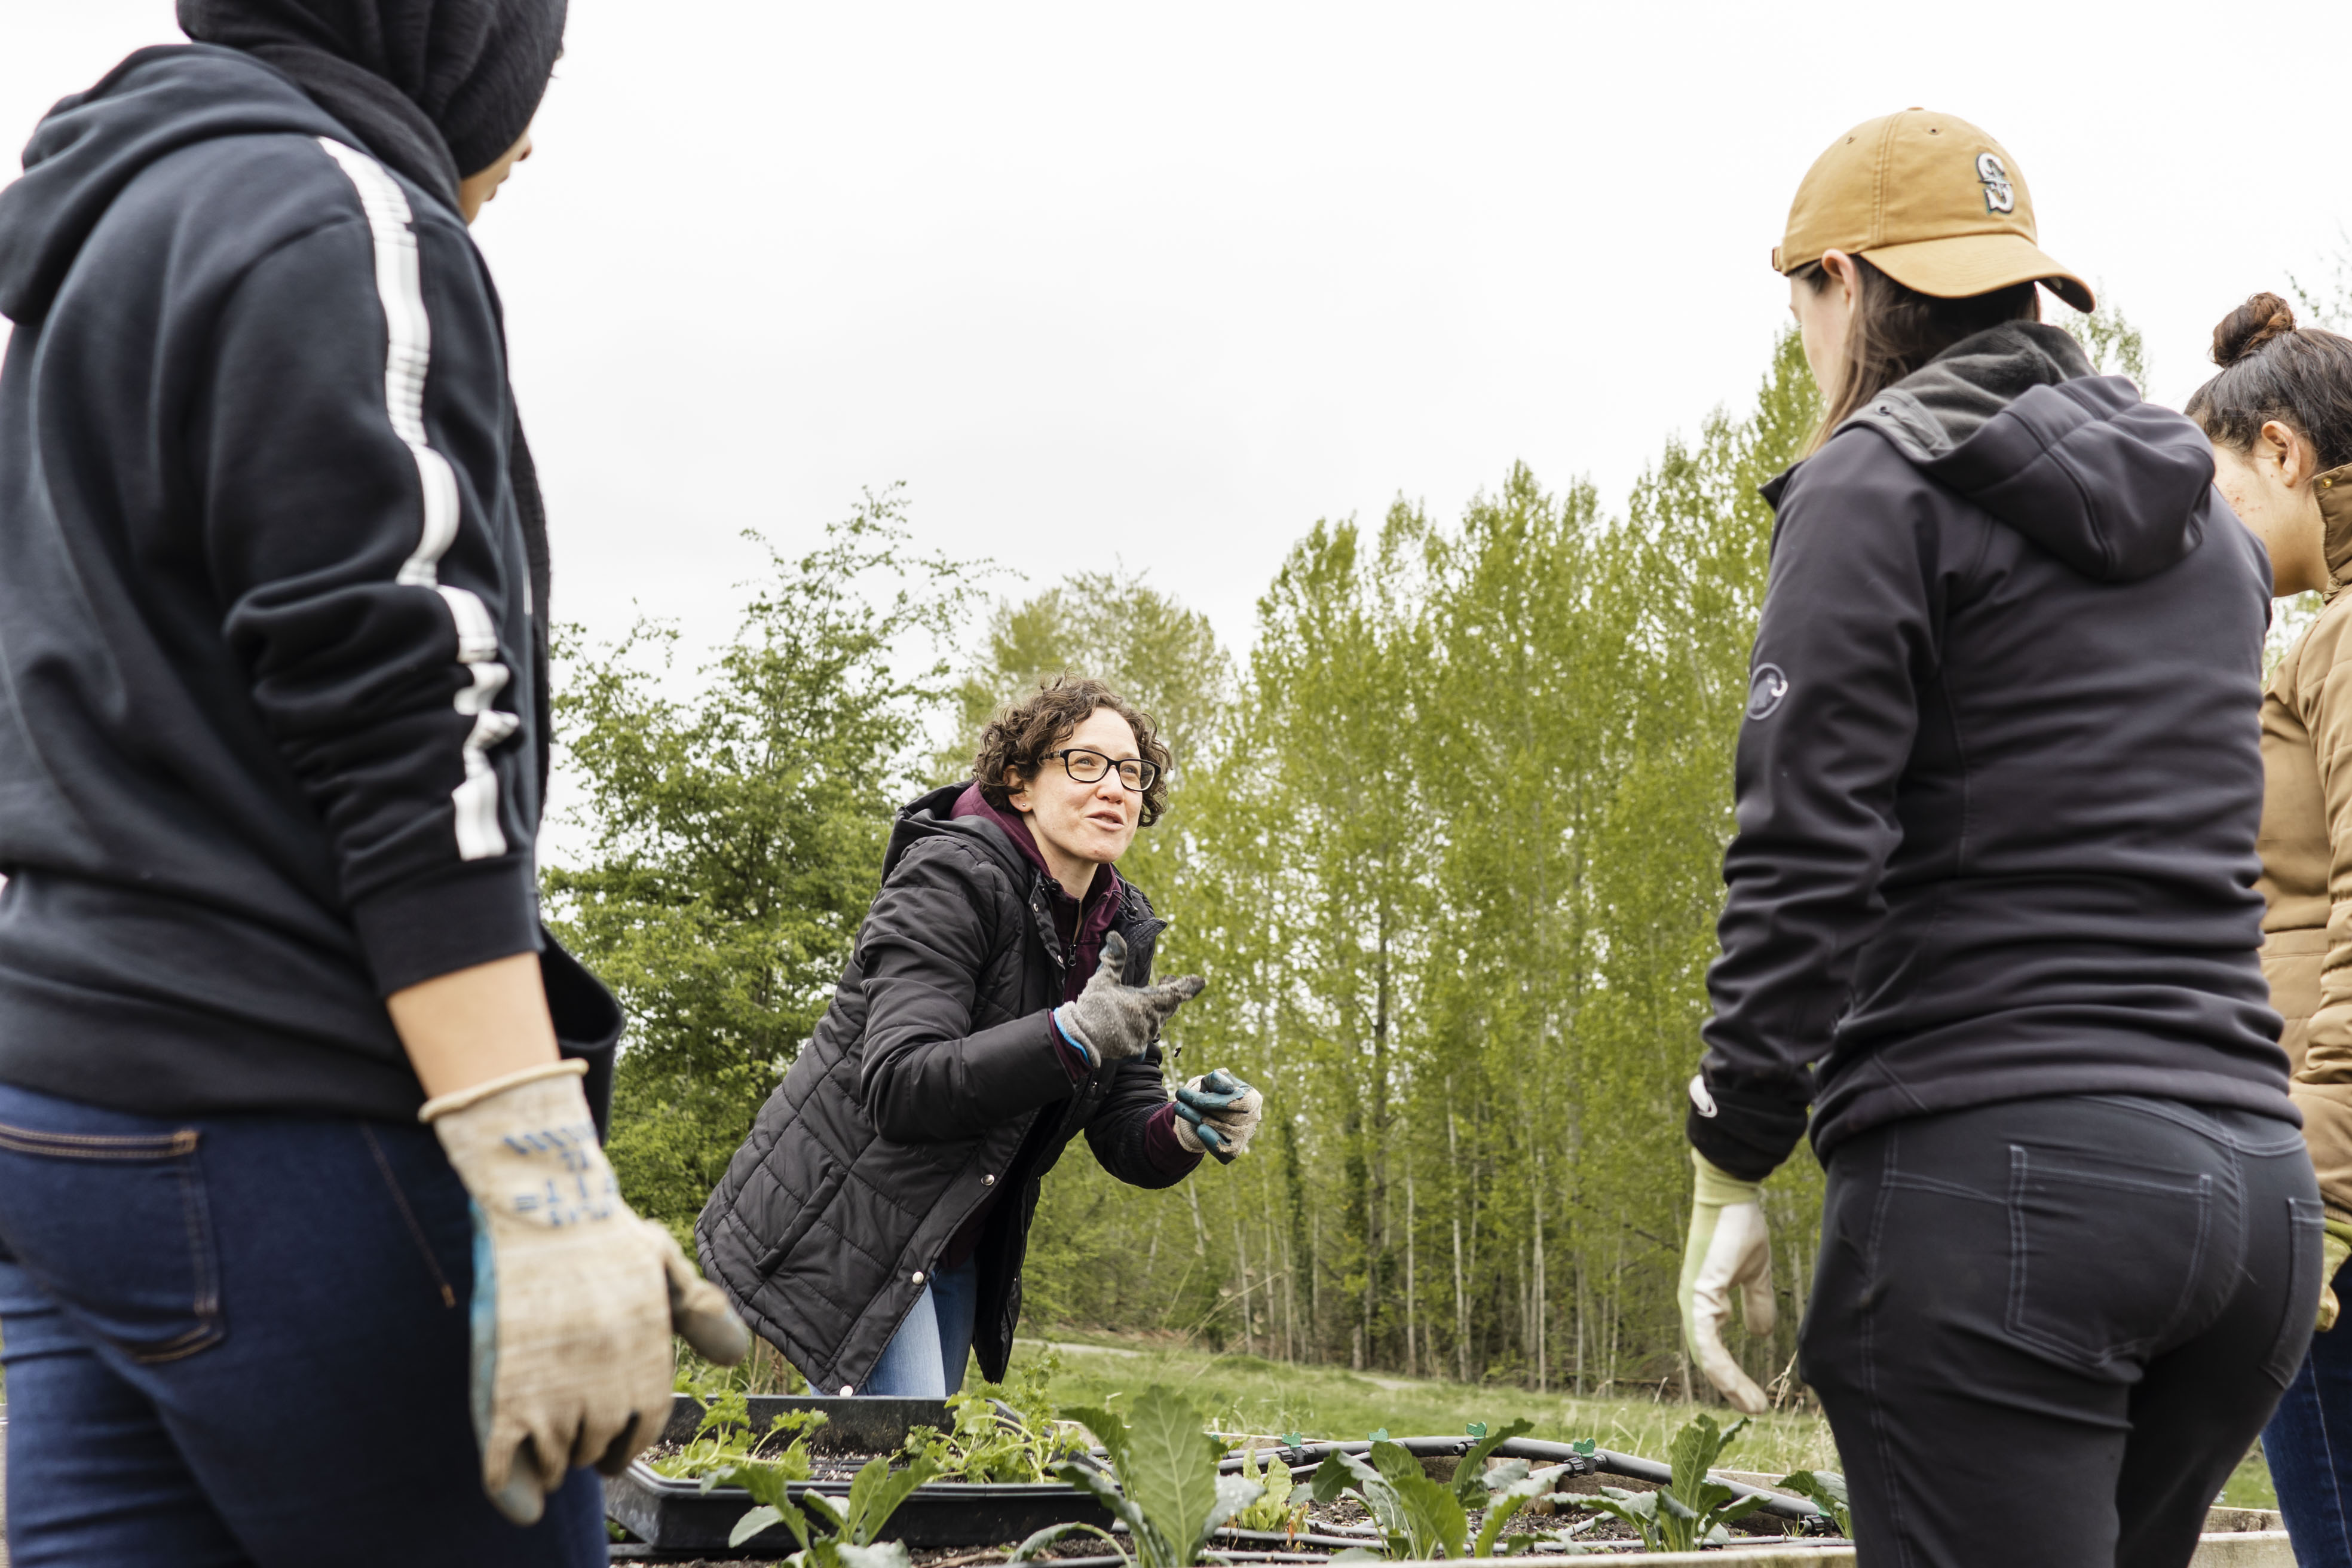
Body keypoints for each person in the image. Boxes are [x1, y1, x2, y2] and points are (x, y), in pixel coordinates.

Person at [0, 4, 745, 1563]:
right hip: (291, 1122)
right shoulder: (346, 218)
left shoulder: (105, 235)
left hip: (66, 1114)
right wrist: (542, 1181)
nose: (522, 148)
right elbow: (416, 711)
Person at [1678, 110, 2316, 1568]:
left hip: (2004, 1190)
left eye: (1798, 304)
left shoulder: (1870, 483)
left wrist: (1733, 1149)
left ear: (1840, 282)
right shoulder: (2208, 536)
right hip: (2246, 1203)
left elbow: (1803, 850)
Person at [699, 676, 1263, 1396]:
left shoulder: (1120, 926)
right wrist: (1069, 1035)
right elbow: (902, 1084)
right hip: (847, 1226)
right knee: (898, 1482)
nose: (1115, 788)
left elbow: (1122, 1115)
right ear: (1019, 782)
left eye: (1131, 771)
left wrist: (1189, 1130)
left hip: (958, 1236)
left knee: (902, 1482)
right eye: (1084, 763)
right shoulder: (947, 877)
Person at [2189, 292, 2352, 1565]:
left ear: (2285, 453)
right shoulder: (2321, 641)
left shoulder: (2347, 639)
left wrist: (2325, 1195)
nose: (2211, 533)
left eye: (2219, 491)